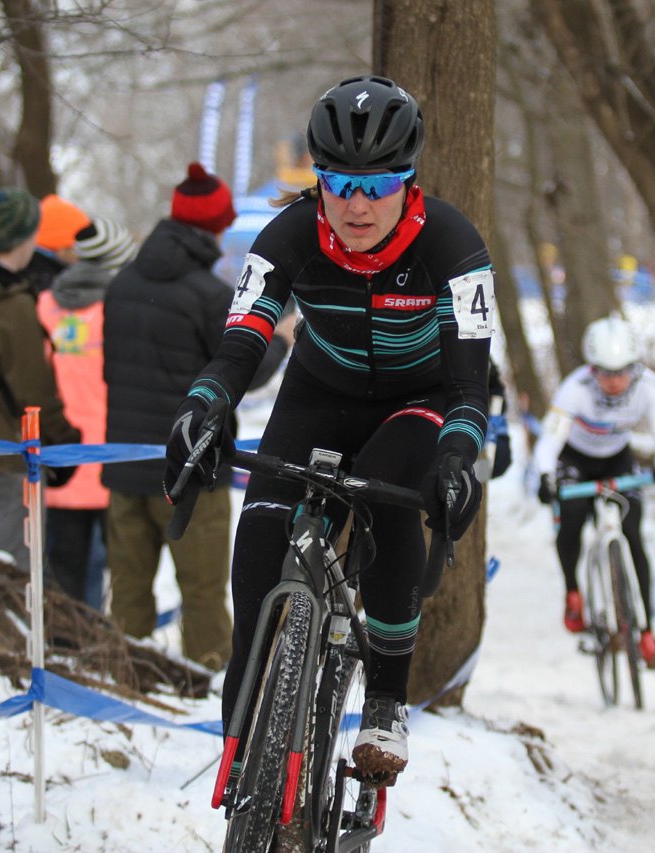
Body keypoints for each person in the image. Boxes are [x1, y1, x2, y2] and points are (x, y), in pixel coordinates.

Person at [163, 75, 494, 786]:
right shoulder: (287, 233)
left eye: (378, 184)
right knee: (258, 533)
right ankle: (244, 738)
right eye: (339, 181)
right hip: (322, 389)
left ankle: (384, 699)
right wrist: (204, 403)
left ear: (410, 180)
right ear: (318, 178)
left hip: (421, 397)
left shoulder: (452, 243)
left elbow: (471, 385)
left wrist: (460, 456)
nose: (356, 202)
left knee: (385, 495)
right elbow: (240, 342)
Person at [103, 162, 292, 670]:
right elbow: (244, 371)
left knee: (127, 594)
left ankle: (127, 681)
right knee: (205, 593)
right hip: (192, 466)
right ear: (215, 226)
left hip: (122, 463)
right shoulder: (209, 295)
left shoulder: (119, 285)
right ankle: (208, 689)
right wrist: (281, 339)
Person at [532, 315, 655, 670]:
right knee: (571, 521)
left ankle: (646, 631)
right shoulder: (575, 389)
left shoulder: (650, 387)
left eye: (622, 372)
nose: (614, 382)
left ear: (635, 367)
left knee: (633, 535)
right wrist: (545, 475)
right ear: (592, 368)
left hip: (617, 459)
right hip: (576, 460)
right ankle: (573, 592)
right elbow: (550, 440)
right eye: (605, 373)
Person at [0, 188, 80, 567]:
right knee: (10, 583)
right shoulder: (11, 306)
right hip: (3, 460)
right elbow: (34, 392)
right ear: (26, 237)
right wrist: (66, 445)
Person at [37, 218, 138, 608]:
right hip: (112, 456)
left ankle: (65, 644)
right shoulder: (117, 310)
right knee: (109, 567)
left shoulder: (45, 305)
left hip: (59, 453)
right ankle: (96, 647)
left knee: (63, 563)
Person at [26, 194, 91, 294]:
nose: (83, 255)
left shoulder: (31, 275)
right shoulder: (48, 283)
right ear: (61, 246)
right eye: (78, 247)